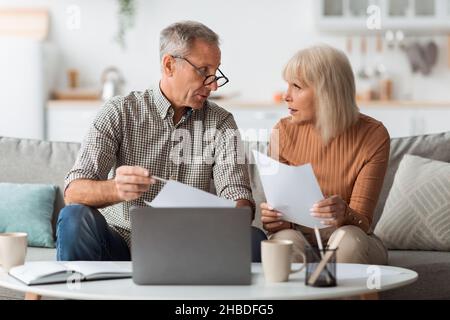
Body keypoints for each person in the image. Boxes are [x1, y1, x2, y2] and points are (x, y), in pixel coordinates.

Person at [58, 21, 266, 261]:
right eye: (204, 71)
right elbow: (74, 192)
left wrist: (235, 213)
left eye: (216, 73)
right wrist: (117, 188)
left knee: (253, 240)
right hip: (121, 245)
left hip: (194, 247)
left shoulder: (221, 122)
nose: (214, 84)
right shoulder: (119, 111)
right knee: (74, 218)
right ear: (169, 65)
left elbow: (236, 192)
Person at [260, 45, 389, 265]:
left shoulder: (373, 135)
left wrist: (344, 213)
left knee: (348, 241)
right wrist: (273, 220)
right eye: (287, 85)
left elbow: (363, 222)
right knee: (284, 244)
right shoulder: (281, 131)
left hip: (351, 235)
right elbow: (279, 216)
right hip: (299, 236)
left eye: (297, 86)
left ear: (326, 91)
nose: (286, 96)